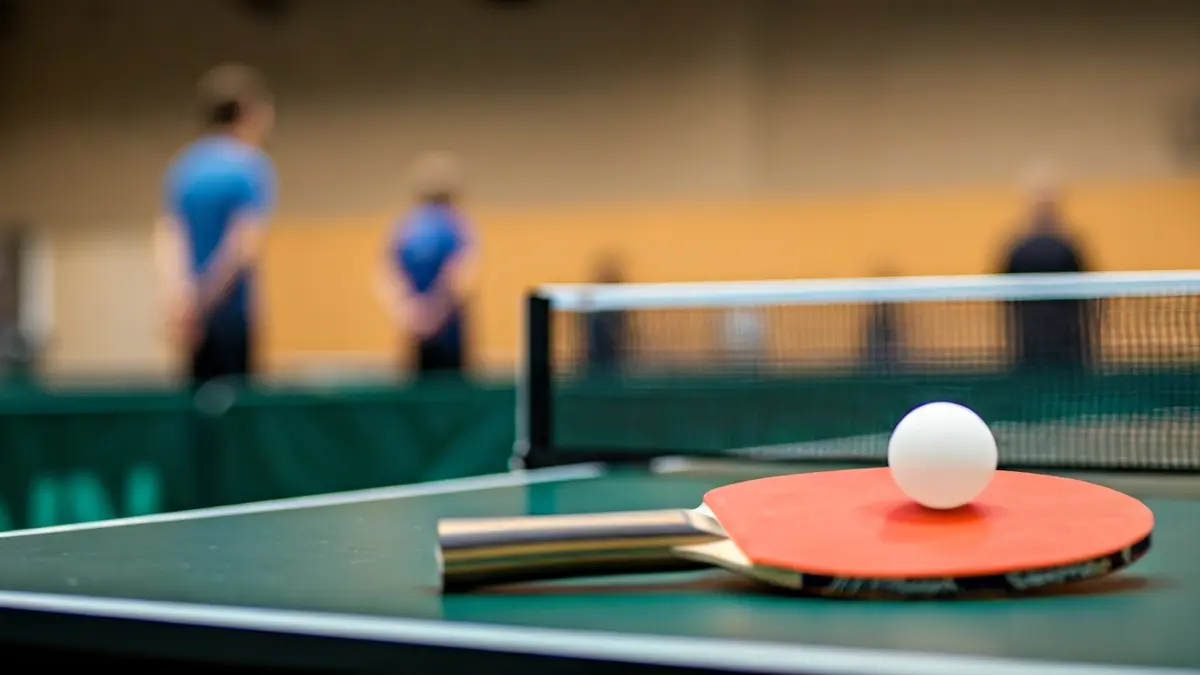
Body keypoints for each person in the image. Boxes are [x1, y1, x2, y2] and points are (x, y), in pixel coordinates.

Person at [153, 63, 277, 386]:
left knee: (199, 406)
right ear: (246, 111)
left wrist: (181, 300)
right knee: (235, 418)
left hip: (190, 318)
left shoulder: (184, 166)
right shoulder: (249, 165)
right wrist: (206, 300)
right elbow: (244, 246)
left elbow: (170, 236)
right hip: (230, 313)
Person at [377, 152, 477, 378]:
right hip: (450, 333)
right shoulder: (458, 225)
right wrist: (435, 311)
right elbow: (463, 275)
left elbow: (386, 275)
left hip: (415, 331)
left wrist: (410, 312)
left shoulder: (403, 227)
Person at [999, 168, 1094, 369]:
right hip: (1029, 344)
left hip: (1069, 345)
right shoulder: (1018, 248)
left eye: (1049, 203)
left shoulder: (1070, 247)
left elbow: (1090, 293)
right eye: (1040, 203)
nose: (1044, 209)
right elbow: (1002, 292)